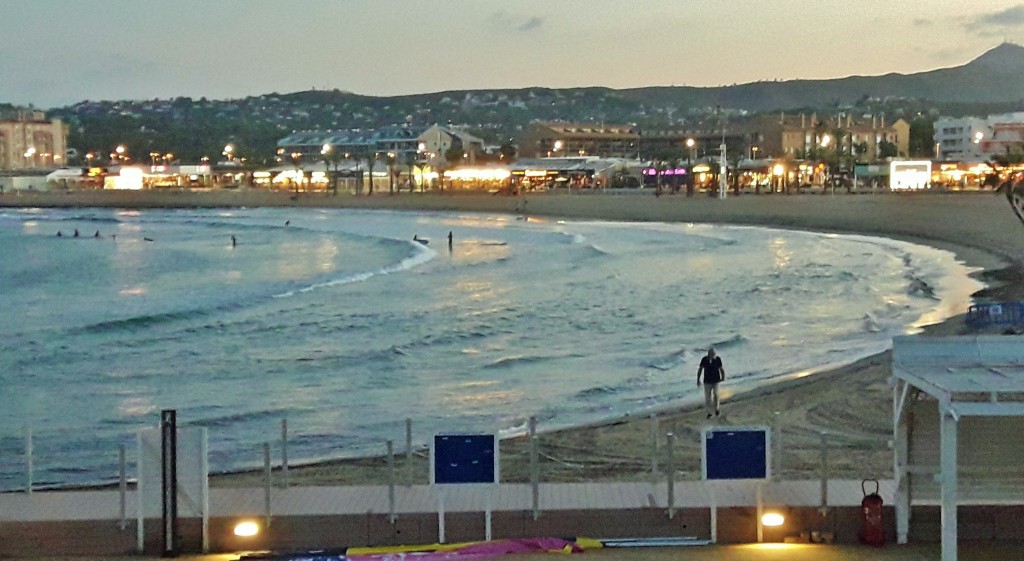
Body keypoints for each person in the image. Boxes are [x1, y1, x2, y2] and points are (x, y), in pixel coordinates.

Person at [696, 347, 725, 418]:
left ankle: (716, 409)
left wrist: (723, 377)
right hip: (707, 381)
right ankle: (709, 412)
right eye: (712, 354)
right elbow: (700, 369)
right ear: (708, 354)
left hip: (716, 380)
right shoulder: (704, 360)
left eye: (714, 353)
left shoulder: (718, 359)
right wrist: (698, 379)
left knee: (716, 394)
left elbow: (721, 369)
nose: (713, 355)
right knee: (708, 397)